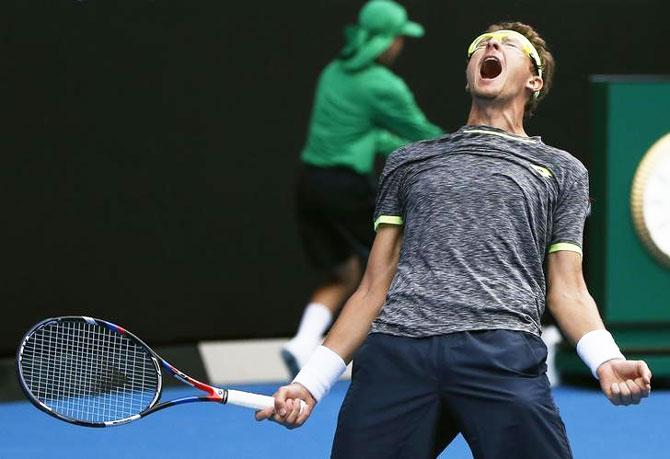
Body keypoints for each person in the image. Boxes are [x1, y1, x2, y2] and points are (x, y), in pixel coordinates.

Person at [260, 21, 653, 458]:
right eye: (481, 44)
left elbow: (569, 289)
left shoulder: (561, 170)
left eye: (509, 44)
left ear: (534, 81)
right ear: (470, 73)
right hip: (397, 354)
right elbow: (373, 287)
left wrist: (607, 359)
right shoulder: (409, 162)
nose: (491, 45)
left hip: (500, 352)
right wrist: (309, 383)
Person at [282, 0, 442, 377]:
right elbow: (419, 134)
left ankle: (303, 343)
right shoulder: (383, 85)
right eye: (400, 38)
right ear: (387, 41)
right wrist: (461, 147)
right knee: (400, 265)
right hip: (346, 188)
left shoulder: (333, 72)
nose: (401, 45)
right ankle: (405, 356)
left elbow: (365, 136)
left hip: (309, 187)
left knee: (344, 275)